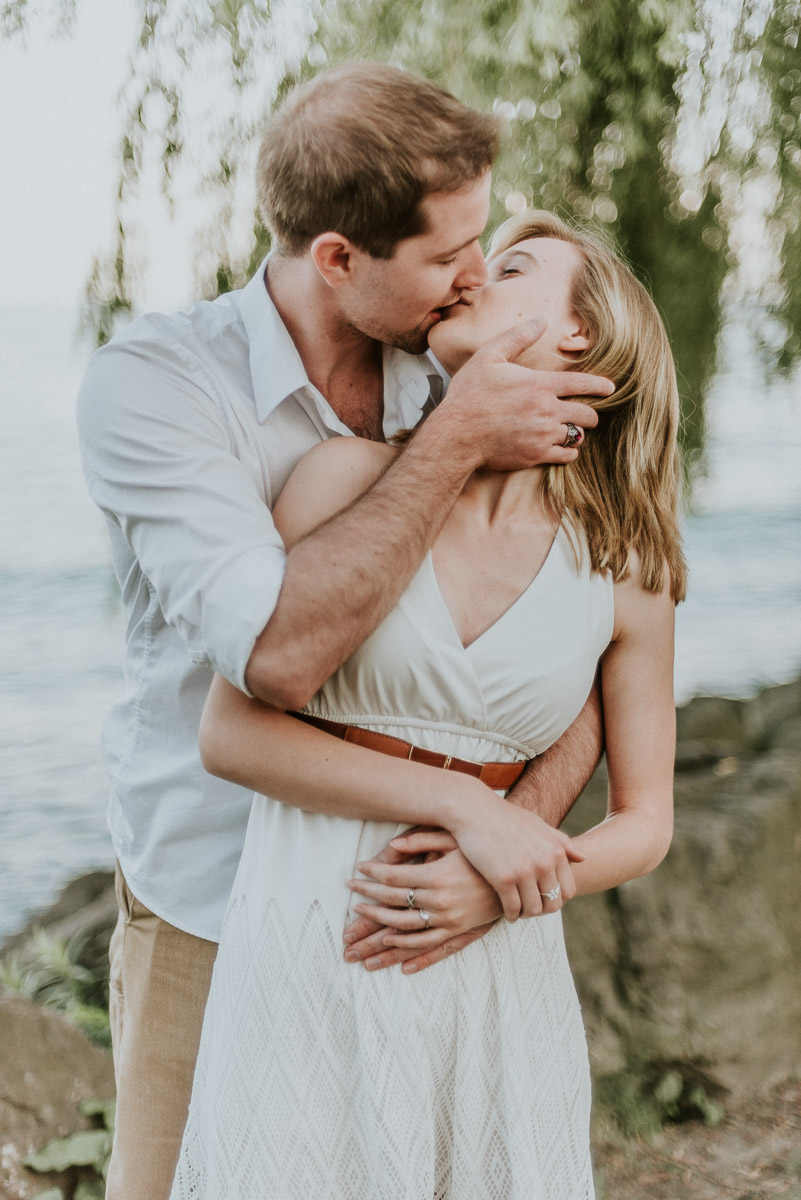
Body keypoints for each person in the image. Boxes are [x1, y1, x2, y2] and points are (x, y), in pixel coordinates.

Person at [76, 64, 613, 1200]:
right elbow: (274, 659)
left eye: (486, 242)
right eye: (446, 254)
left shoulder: (463, 362)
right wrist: (458, 438)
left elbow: (589, 661)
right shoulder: (160, 388)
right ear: (337, 259)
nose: (474, 273)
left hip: (417, 909)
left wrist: (502, 841)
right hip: (213, 896)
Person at [169, 210, 685, 1199]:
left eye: (517, 263)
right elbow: (231, 731)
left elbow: (646, 821)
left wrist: (508, 884)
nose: (477, 270)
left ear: (580, 337)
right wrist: (471, 807)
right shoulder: (346, 477)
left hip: (494, 958)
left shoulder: (626, 569)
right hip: (311, 929)